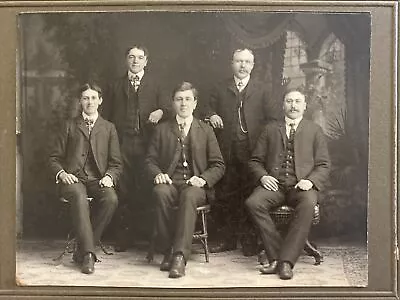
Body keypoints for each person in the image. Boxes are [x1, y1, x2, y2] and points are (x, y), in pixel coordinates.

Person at [245, 87, 330, 280]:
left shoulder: (314, 130)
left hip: (301, 186)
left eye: (297, 101)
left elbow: (324, 164)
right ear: (283, 105)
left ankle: (286, 262)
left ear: (304, 106)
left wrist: (310, 181)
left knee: (309, 202)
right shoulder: (270, 129)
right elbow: (255, 161)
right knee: (253, 202)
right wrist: (263, 177)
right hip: (275, 186)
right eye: (289, 101)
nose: (293, 105)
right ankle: (275, 256)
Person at [145, 82, 225, 278]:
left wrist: (203, 179)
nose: (183, 103)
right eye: (179, 99)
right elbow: (150, 160)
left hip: (195, 185)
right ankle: (167, 250)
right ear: (173, 103)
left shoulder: (205, 130)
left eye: (188, 99)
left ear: (195, 103)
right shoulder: (162, 129)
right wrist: (158, 174)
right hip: (171, 182)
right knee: (160, 192)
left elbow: (219, 165)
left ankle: (179, 256)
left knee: (189, 196)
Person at [205, 48, 277, 255]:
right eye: (239, 61)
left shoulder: (263, 90)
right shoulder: (220, 88)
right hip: (226, 150)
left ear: (253, 65)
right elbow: (206, 108)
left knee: (250, 194)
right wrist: (212, 115)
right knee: (226, 194)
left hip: (253, 152)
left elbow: (273, 120)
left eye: (247, 62)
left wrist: (262, 141)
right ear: (232, 63)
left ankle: (249, 240)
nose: (243, 65)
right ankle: (227, 239)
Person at [49, 83, 122, 274]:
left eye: (93, 98)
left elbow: (116, 163)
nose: (89, 102)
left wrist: (109, 176)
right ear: (80, 101)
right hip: (73, 180)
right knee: (79, 197)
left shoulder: (109, 128)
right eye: (85, 98)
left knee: (111, 199)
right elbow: (53, 158)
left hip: (97, 179)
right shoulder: (69, 125)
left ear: (100, 101)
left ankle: (81, 249)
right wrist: (62, 174)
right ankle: (89, 254)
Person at [103, 45, 170, 252]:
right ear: (126, 60)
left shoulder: (156, 84)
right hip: (122, 144)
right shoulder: (115, 85)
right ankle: (124, 236)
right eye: (131, 57)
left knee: (147, 187)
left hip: (147, 144)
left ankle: (151, 236)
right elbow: (106, 116)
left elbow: (169, 108)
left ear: (146, 61)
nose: (135, 61)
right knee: (123, 189)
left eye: (139, 58)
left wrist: (160, 111)